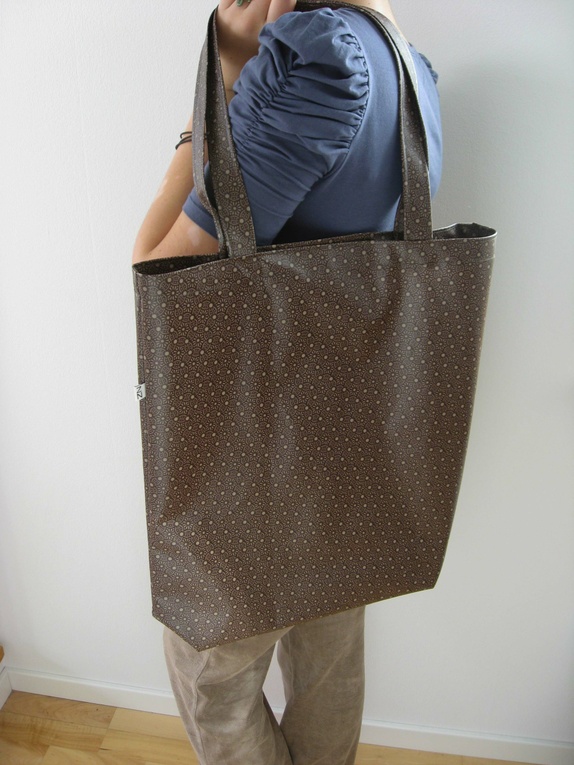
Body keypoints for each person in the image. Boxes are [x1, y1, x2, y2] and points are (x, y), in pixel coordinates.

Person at [133, 1, 442, 763]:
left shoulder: (314, 54)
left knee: (211, 674)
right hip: (357, 447)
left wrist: (221, 84)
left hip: (256, 461)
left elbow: (159, 269)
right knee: (330, 650)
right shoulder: (406, 60)